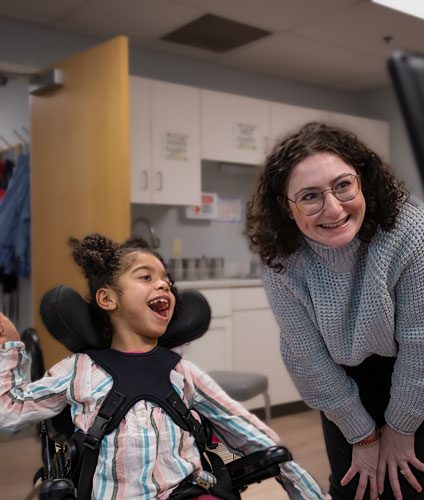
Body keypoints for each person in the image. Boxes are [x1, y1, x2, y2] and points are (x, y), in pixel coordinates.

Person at [0, 233, 325, 500]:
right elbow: (9, 411)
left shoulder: (181, 372)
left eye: (167, 281)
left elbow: (248, 431)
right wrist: (10, 346)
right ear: (108, 299)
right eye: (146, 277)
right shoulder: (79, 370)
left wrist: (304, 489)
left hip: (188, 494)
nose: (164, 286)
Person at [246, 120, 424, 500]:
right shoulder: (280, 255)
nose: (333, 208)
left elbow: (420, 341)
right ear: (286, 206)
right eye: (309, 196)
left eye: (343, 185)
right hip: (340, 379)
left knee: (409, 486)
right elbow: (306, 355)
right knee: (354, 489)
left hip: (414, 369)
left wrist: (402, 426)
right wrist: (362, 434)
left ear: (362, 180)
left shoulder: (409, 230)